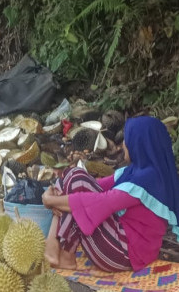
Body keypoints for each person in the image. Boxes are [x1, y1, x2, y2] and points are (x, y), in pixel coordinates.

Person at [42, 116, 179, 272]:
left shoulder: (148, 179)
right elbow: (97, 185)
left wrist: (50, 200)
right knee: (73, 178)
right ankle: (54, 245)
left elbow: (103, 202)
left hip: (126, 253)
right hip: (121, 242)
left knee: (77, 184)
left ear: (139, 143)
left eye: (127, 139)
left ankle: (62, 252)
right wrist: (57, 193)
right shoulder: (136, 171)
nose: (123, 145)